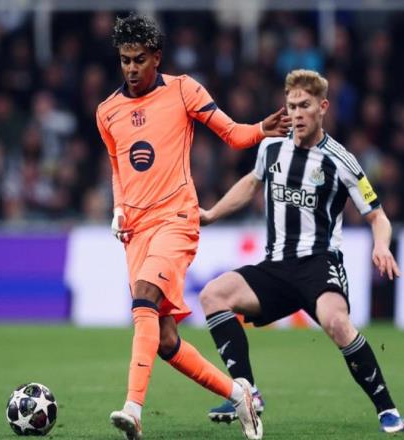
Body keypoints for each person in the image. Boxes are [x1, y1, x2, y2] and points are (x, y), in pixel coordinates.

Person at [96, 13, 291, 440]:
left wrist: (262, 129)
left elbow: (232, 134)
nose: (131, 68)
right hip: (136, 230)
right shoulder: (107, 112)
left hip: (177, 218)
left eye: (139, 59)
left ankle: (133, 409)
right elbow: (117, 167)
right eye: (125, 60)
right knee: (165, 340)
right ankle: (239, 395)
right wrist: (118, 209)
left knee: (144, 297)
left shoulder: (184, 89)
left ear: (156, 57)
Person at [199, 69, 404, 434]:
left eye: (304, 106)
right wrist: (212, 214)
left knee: (337, 323)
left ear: (322, 107)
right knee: (213, 295)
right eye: (291, 105)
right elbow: (252, 183)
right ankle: (248, 393)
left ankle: (387, 409)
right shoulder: (271, 146)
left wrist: (381, 245)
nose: (296, 113)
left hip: (319, 263)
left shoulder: (341, 160)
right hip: (276, 266)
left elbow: (378, 216)